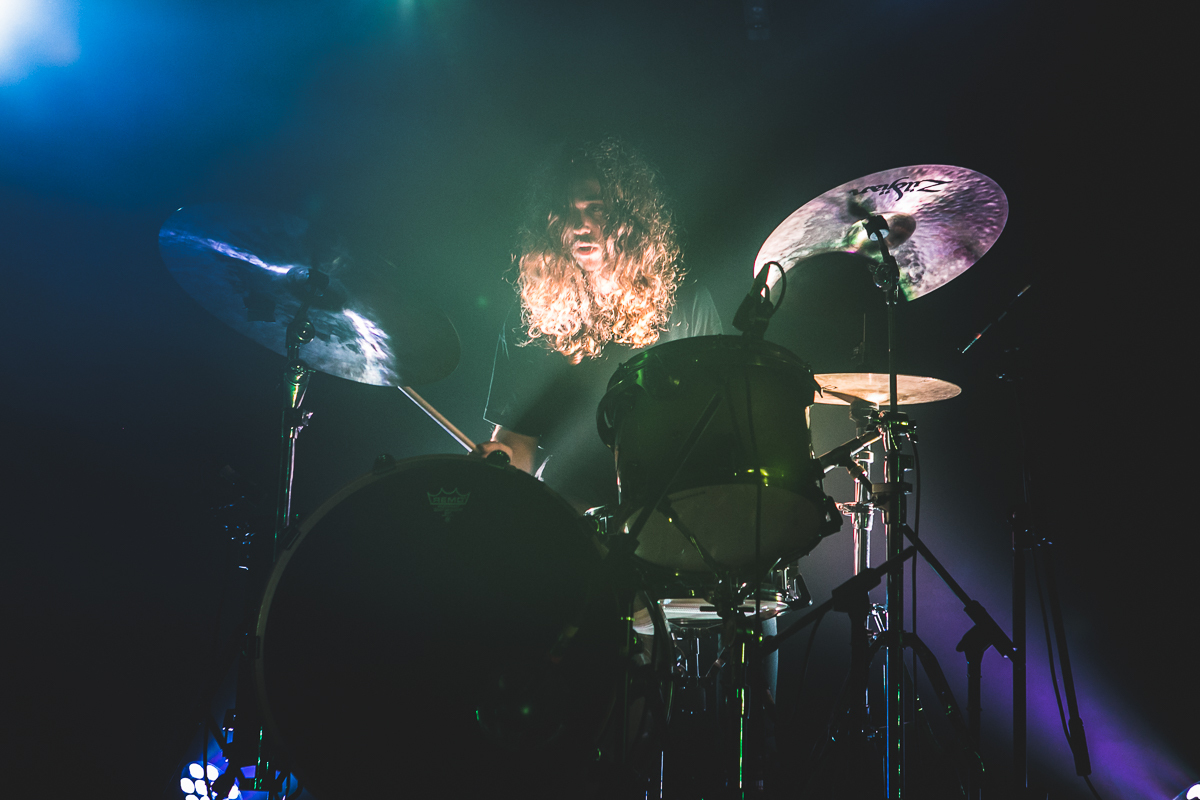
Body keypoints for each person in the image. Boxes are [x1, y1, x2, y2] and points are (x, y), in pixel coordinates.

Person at [478, 137, 721, 510]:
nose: (581, 225)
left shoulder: (683, 300)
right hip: (571, 506)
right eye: (567, 211)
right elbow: (518, 441)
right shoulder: (533, 314)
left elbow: (718, 414)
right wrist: (500, 459)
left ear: (628, 217)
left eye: (596, 208)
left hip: (672, 504)